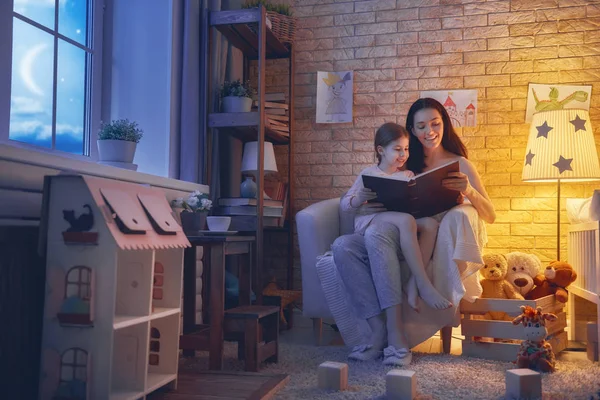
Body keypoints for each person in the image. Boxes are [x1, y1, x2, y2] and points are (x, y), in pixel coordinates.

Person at [333, 98, 496, 366]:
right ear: (412, 130)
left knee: (381, 234)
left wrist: (467, 190)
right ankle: (378, 331)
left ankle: (396, 335)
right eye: (420, 126)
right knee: (342, 246)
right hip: (387, 233)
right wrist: (363, 203)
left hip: (411, 238)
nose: (429, 131)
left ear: (445, 123)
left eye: (435, 123)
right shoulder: (405, 165)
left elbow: (490, 215)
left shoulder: (460, 164)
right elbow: (356, 196)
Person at [342, 122, 451, 312]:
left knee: (431, 224)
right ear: (381, 150)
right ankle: (423, 284)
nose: (403, 155)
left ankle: (412, 284)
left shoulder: (407, 175)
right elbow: (344, 206)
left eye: (406, 149)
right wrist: (358, 199)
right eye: (397, 149)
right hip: (371, 221)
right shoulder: (368, 174)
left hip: (399, 220)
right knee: (405, 220)